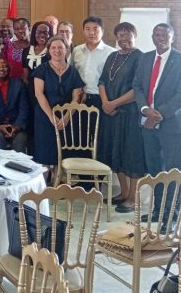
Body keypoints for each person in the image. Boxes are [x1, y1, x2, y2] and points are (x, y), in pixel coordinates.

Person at [133, 23, 181, 222]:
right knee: (155, 170)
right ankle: (157, 211)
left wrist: (158, 114)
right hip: (147, 123)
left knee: (173, 171)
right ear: (152, 37)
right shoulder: (145, 58)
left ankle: (172, 215)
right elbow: (137, 86)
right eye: (157, 35)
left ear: (172, 38)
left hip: (170, 125)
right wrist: (145, 110)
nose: (161, 39)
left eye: (165, 36)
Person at [98, 22, 144, 213]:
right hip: (111, 114)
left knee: (131, 154)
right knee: (115, 152)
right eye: (120, 35)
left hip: (130, 114)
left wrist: (114, 104)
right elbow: (102, 81)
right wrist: (105, 103)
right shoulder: (112, 56)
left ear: (134, 35)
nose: (123, 38)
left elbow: (138, 89)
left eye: (127, 34)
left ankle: (133, 198)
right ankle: (124, 192)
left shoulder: (140, 57)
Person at [32, 36, 84, 170]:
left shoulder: (73, 72)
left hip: (67, 118)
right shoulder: (42, 69)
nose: (57, 51)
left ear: (67, 49)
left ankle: (58, 180)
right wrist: (51, 117)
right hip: (45, 116)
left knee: (62, 155)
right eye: (53, 48)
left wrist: (66, 118)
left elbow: (76, 98)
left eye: (61, 47)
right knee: (44, 154)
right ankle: (45, 181)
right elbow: (39, 94)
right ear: (49, 50)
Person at [71, 16, 115, 162]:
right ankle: (83, 173)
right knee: (81, 138)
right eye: (88, 29)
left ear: (102, 31)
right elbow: (72, 74)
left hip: (100, 100)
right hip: (80, 100)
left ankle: (100, 173)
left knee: (100, 138)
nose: (91, 33)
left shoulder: (111, 53)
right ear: (83, 31)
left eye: (95, 29)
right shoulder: (77, 50)